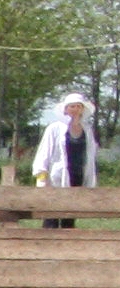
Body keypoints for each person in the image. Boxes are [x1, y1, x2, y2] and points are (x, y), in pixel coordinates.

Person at [32, 92, 97, 230]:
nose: (75, 110)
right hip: (56, 179)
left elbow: (90, 156)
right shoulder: (55, 128)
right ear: (66, 109)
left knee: (70, 215)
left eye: (78, 107)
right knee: (52, 215)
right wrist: (42, 178)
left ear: (83, 109)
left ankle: (68, 247)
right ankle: (47, 245)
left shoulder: (87, 130)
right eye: (72, 107)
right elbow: (44, 154)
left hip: (77, 177)